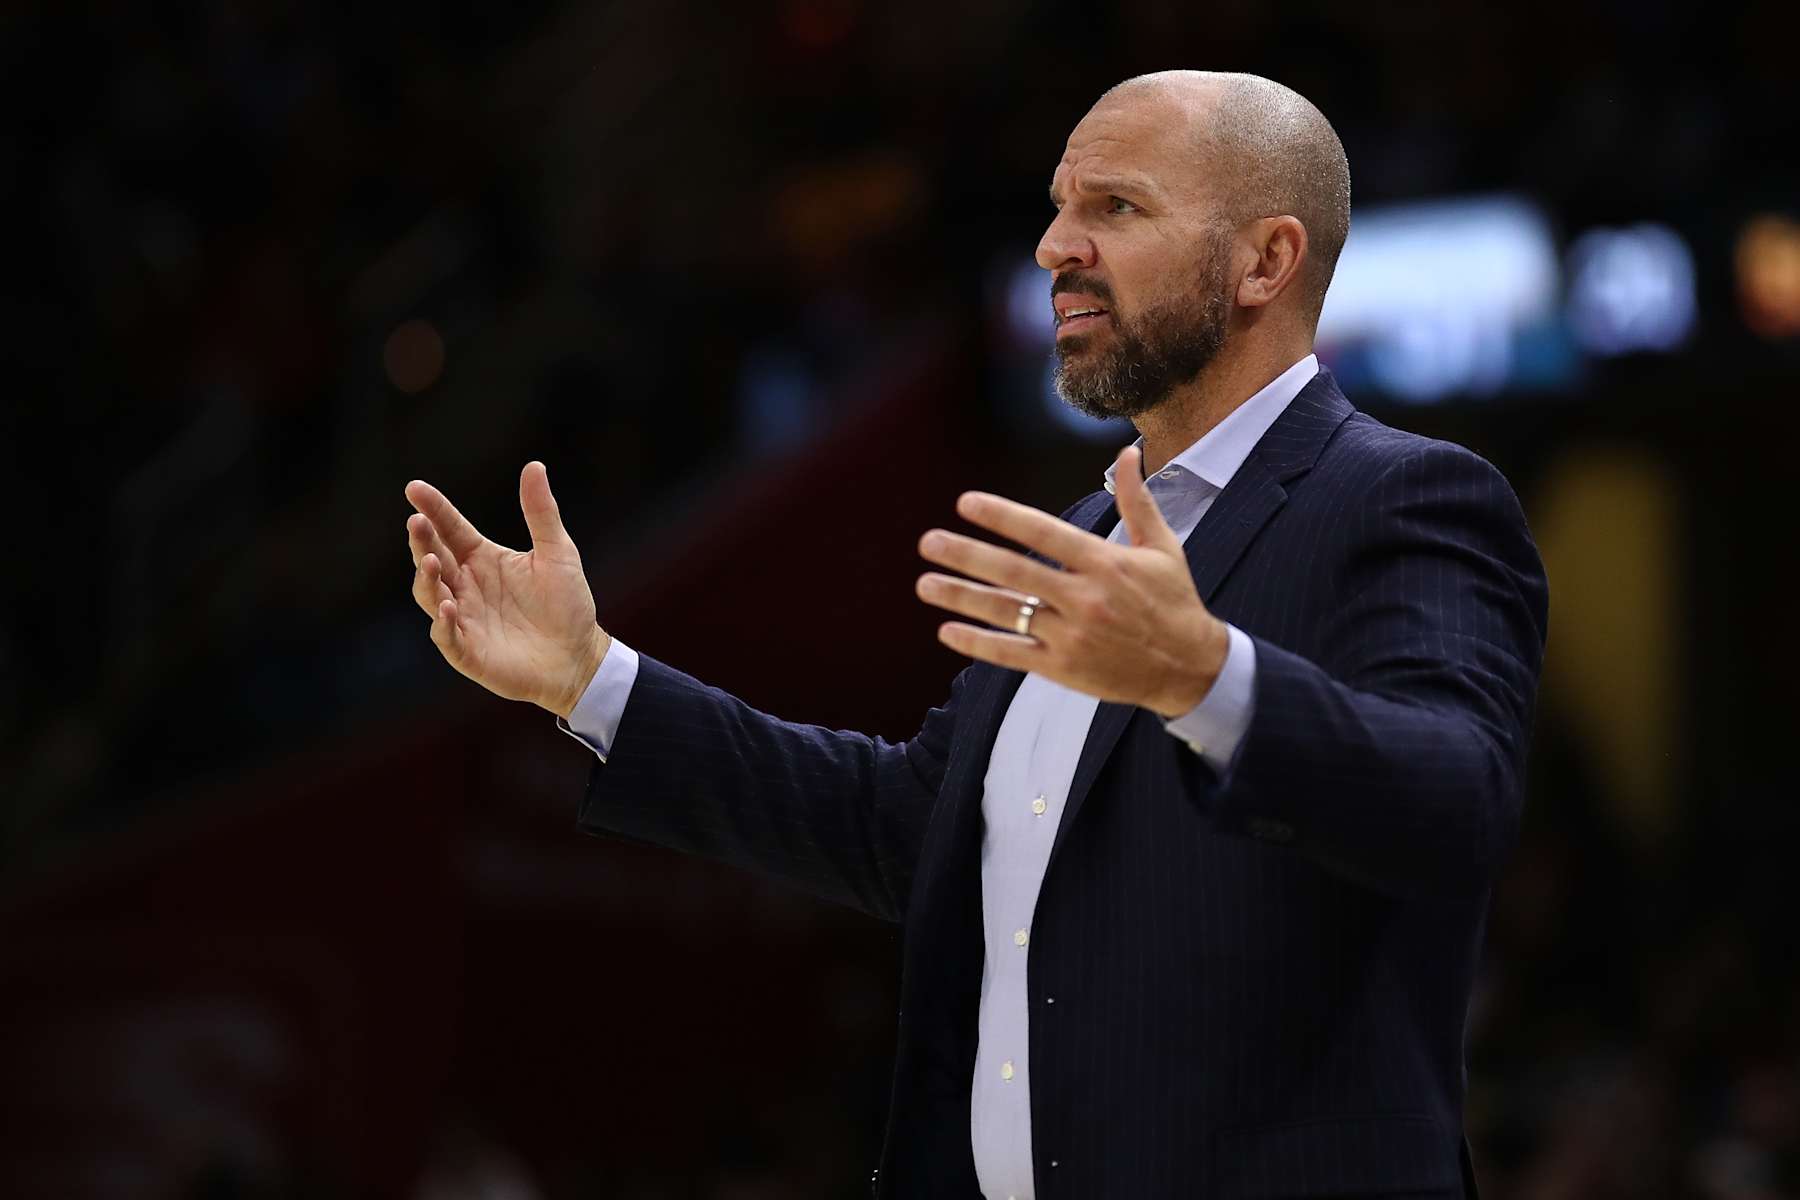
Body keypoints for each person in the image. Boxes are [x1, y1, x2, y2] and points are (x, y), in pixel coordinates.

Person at [404, 70, 1548, 1200]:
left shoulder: (1404, 500)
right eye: (1058, 205)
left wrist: (1205, 677)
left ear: (1265, 261)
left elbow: (1456, 802)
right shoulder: (1080, 539)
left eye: (1116, 207)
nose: (1057, 246)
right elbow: (905, 830)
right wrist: (590, 679)